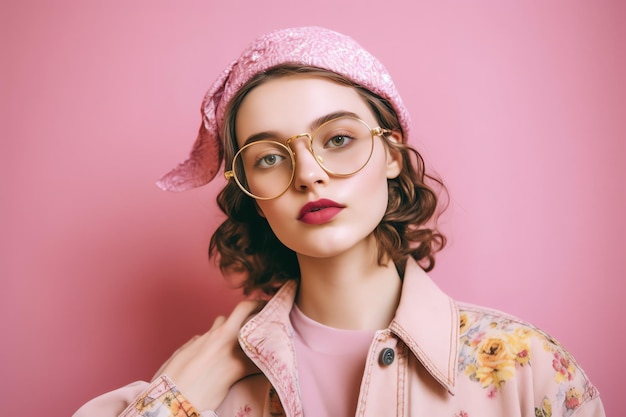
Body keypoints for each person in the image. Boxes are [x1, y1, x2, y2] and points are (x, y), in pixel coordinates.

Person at [73, 26, 605, 417]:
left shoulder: (525, 367)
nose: (309, 175)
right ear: (253, 195)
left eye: (339, 139)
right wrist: (177, 398)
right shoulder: (206, 390)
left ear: (392, 155)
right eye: (269, 157)